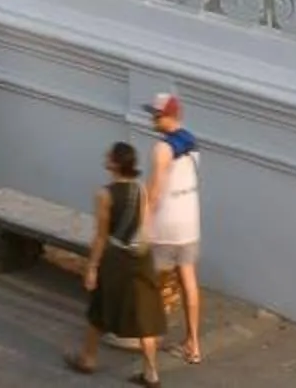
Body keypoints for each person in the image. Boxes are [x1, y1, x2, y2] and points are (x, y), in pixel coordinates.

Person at [66, 139, 162, 384]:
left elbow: (101, 236)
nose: (105, 158)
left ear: (116, 164)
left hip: (116, 259)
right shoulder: (141, 189)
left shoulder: (104, 194)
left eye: (109, 156)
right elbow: (143, 224)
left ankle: (88, 359)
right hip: (141, 258)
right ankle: (151, 373)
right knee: (144, 316)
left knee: (99, 310)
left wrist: (92, 267)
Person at [145, 93, 202, 365]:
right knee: (188, 281)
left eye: (155, 115)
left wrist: (143, 222)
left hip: (166, 225)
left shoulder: (162, 149)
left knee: (151, 284)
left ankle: (149, 338)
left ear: (166, 116)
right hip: (190, 222)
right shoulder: (192, 143)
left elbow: (155, 192)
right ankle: (193, 344)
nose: (152, 119)